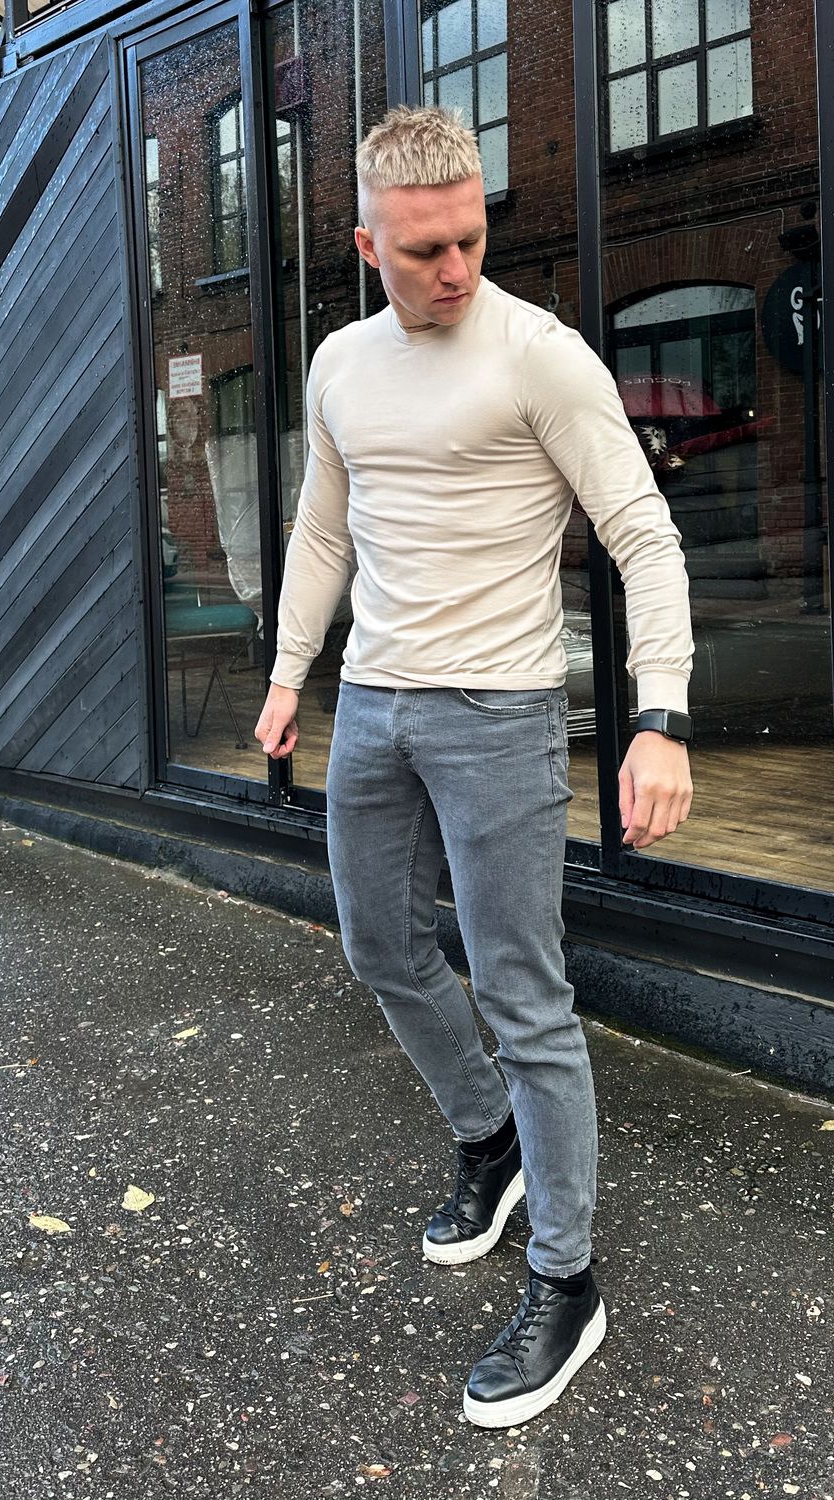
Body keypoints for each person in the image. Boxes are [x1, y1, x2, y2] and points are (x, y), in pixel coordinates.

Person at [253, 104, 695, 1430]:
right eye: (423, 250)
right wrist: (288, 675)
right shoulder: (341, 363)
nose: (454, 269)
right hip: (374, 705)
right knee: (379, 943)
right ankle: (487, 1138)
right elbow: (324, 529)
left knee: (522, 993)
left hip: (501, 714)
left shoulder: (539, 356)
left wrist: (661, 717)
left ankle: (567, 1278)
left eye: (470, 239)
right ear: (366, 246)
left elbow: (642, 533)